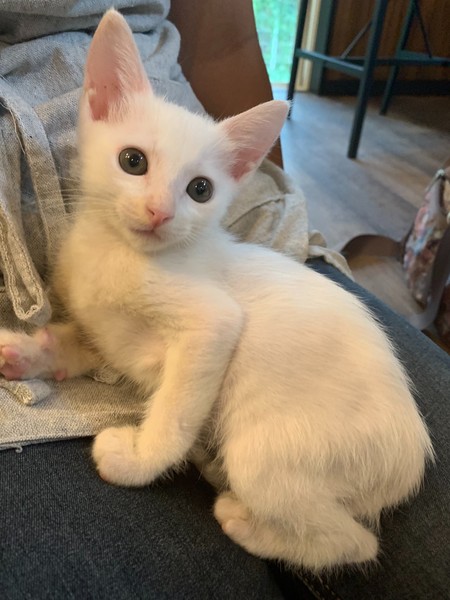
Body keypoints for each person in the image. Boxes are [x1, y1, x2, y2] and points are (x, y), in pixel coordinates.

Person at [0, 2, 448, 598]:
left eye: (198, 189)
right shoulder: (101, 264)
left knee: (263, 478)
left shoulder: (156, 267)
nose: (160, 208)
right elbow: (126, 338)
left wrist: (152, 452)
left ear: (237, 173)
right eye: (135, 162)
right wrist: (56, 353)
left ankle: (336, 541)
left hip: (308, 398)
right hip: (329, 389)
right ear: (98, 106)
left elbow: (211, 324)